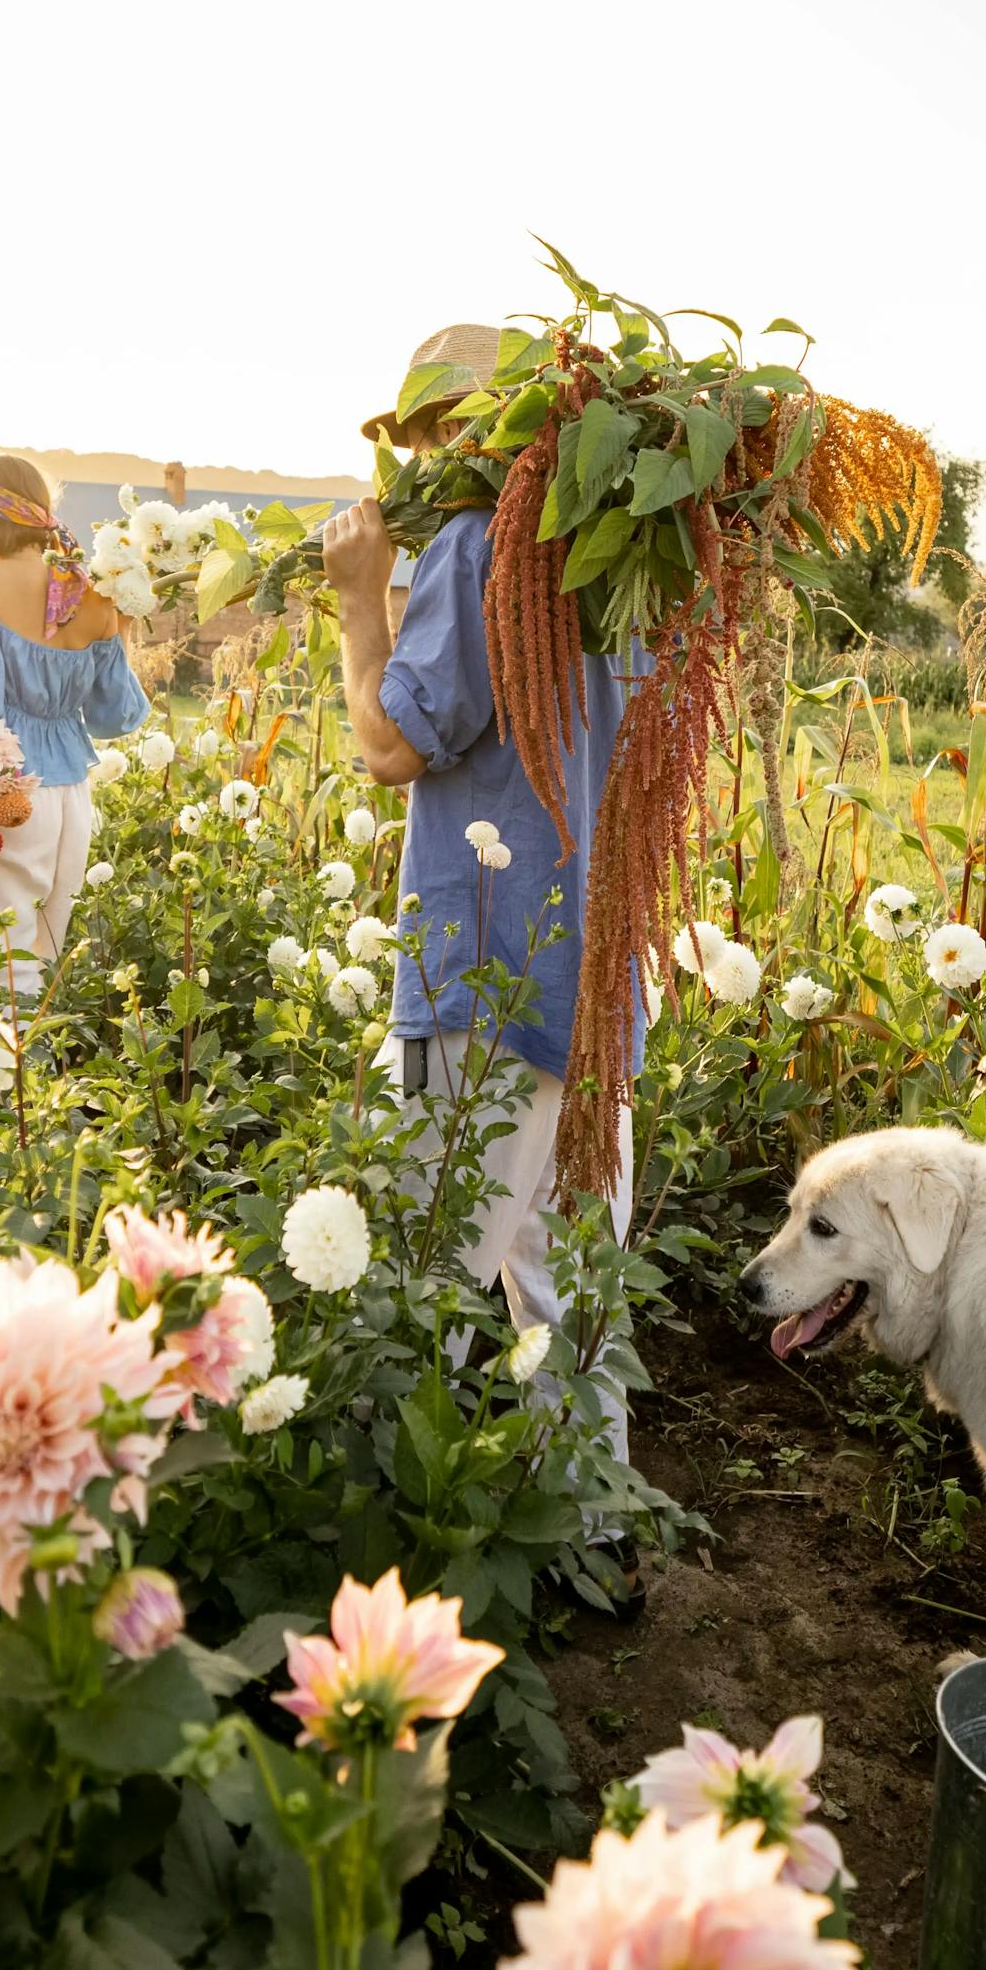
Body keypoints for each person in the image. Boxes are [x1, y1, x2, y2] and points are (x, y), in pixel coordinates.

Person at [323, 327, 633, 1406]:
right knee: (572, 1285)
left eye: (428, 433)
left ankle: (410, 1551)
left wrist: (361, 600)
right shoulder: (622, 562)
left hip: (487, 966)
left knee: (428, 1276)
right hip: (593, 975)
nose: (420, 459)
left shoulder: (476, 546)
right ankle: (596, 1543)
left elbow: (390, 746)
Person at [0, 455, 149, 993]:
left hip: (4, 790)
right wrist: (117, 630)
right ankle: (34, 1070)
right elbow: (117, 715)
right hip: (70, 797)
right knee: (42, 953)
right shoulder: (90, 592)